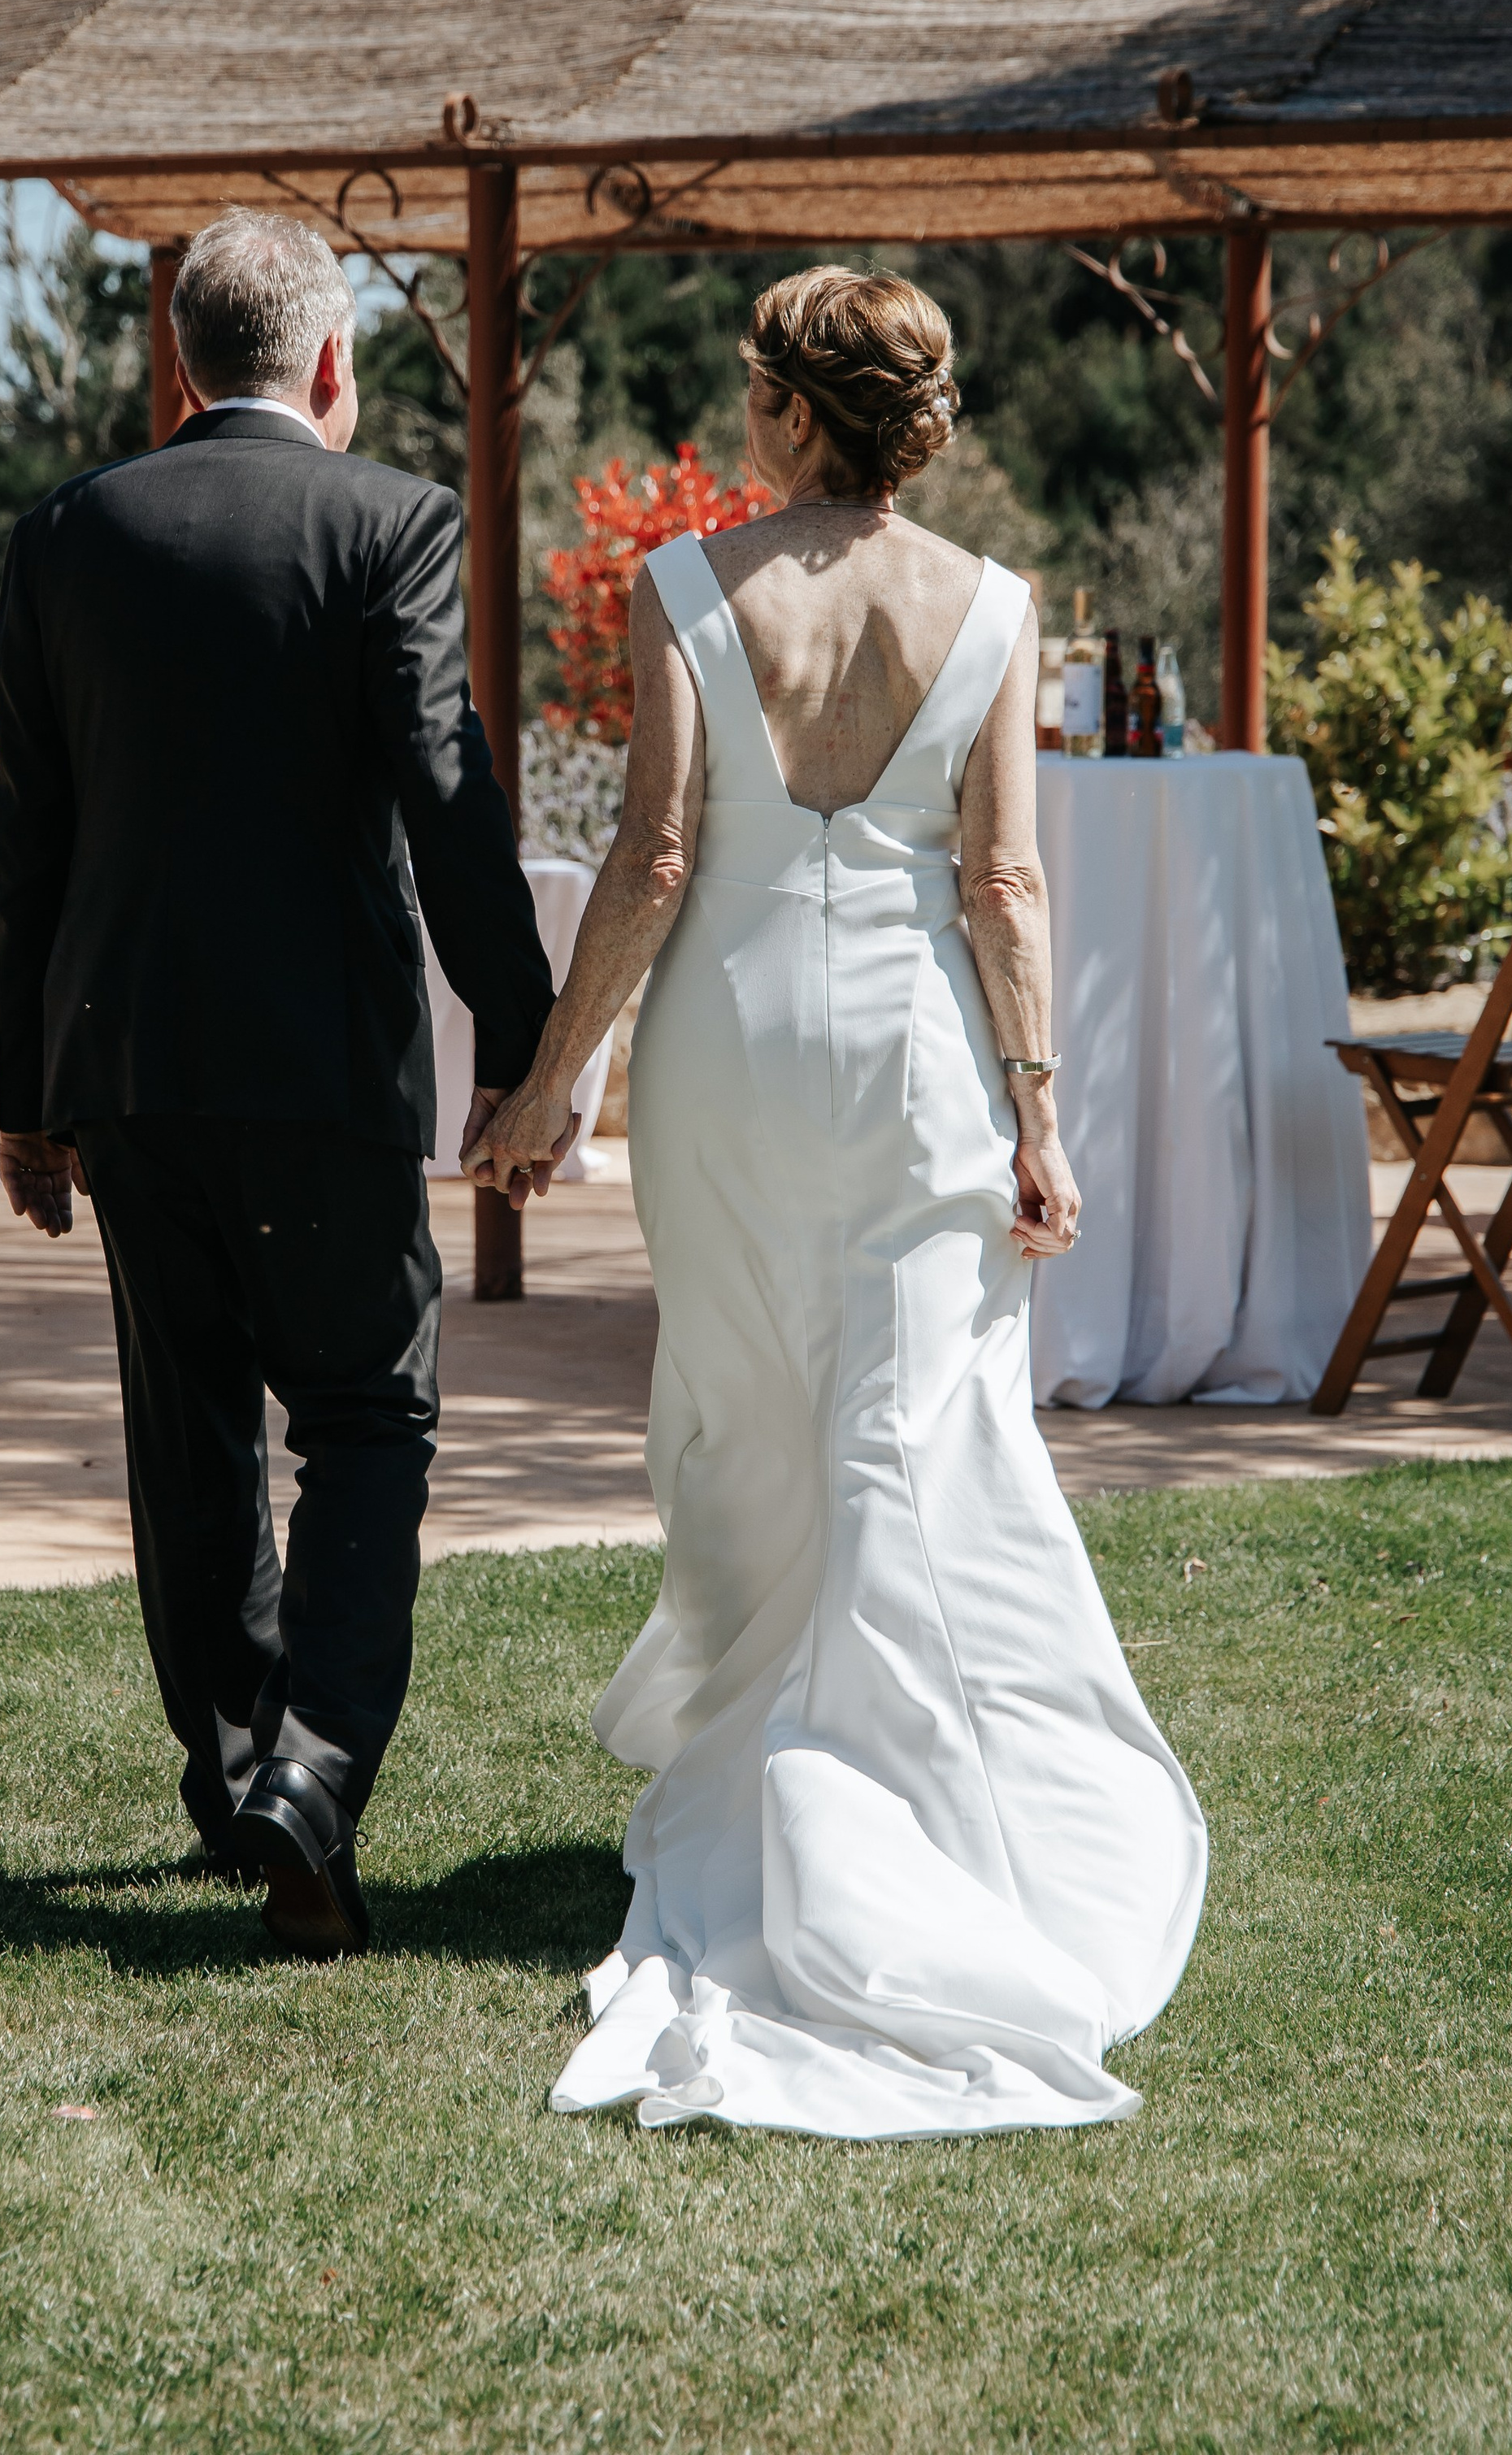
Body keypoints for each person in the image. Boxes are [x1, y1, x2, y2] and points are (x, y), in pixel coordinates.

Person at [470, 266, 1206, 2137]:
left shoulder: (684, 589)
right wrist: (1034, 1118)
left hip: (722, 1059)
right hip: (911, 1066)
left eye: (749, 389)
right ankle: (894, 1794)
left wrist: (553, 1086)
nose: (740, 414)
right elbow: (1003, 892)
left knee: (741, 1411)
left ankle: (786, 1767)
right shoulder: (994, 607)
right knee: (912, 1427)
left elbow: (647, 856)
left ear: (794, 413)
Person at [0, 208, 555, 1960]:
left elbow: (31, 835)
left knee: (191, 1434)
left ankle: (239, 1778)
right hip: (326, 1070)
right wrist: (519, 1042)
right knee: (369, 1420)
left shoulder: (66, 533)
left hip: (131, 1066)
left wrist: (25, 1089)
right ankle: (311, 1781)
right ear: (326, 365)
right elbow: (448, 799)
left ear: (179, 365)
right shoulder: (390, 520)